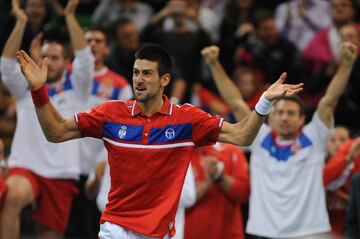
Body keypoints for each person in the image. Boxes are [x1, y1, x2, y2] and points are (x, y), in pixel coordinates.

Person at [16, 43, 303, 238]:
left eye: (147, 74)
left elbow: (242, 135)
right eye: (135, 73)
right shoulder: (111, 114)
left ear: (165, 80)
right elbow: (55, 132)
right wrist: (39, 91)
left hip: (159, 231)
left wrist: (264, 101)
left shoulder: (187, 119)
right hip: (115, 226)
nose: (139, 80)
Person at [201, 42, 357, 238]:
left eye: (291, 113)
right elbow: (235, 101)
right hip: (265, 231)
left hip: (309, 231)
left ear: (302, 119)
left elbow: (330, 100)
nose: (285, 117)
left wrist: (347, 64)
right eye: (280, 112)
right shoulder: (260, 137)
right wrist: (214, 63)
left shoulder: (314, 137)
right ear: (271, 117)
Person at [0, 0, 94, 238]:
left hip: (62, 173)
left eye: (55, 57)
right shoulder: (25, 90)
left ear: (66, 62)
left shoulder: (78, 92)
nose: (49, 62)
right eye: (44, 56)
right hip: (26, 166)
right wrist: (20, 22)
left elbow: (85, 59)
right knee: (12, 197)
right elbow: (7, 65)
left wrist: (70, 16)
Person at [85, 157, 196, 239]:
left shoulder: (177, 151)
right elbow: (101, 199)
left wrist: (146, 192)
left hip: (162, 234)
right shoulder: (114, 145)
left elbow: (189, 196)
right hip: (118, 230)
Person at [185, 143, 250, 239]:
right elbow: (175, 201)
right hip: (190, 233)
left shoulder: (231, 150)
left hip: (228, 234)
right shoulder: (180, 153)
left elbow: (244, 193)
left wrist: (219, 176)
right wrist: (207, 183)